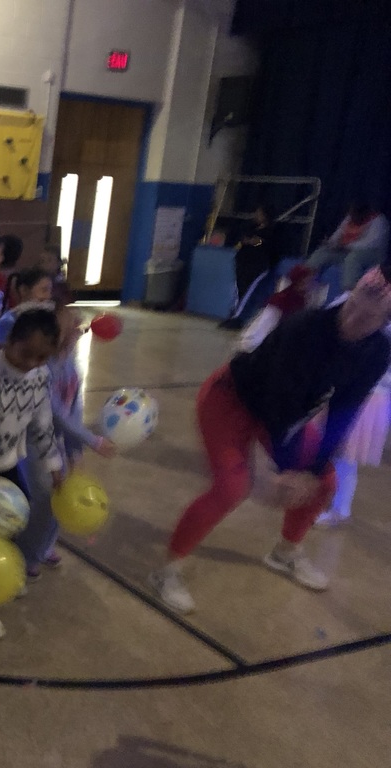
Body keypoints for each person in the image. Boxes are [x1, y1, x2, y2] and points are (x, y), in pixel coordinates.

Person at [149, 266, 391, 614]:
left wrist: (311, 470)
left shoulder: (377, 351)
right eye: (354, 301)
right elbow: (278, 401)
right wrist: (277, 469)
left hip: (283, 413)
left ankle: (285, 554)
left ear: (384, 319)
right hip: (231, 399)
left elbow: (343, 411)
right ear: (350, 293)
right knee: (232, 487)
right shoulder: (305, 327)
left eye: (369, 312)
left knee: (325, 481)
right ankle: (166, 572)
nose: (353, 317)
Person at [0, 306, 64, 637]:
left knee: (12, 520)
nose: (32, 363)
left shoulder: (41, 376)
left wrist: (54, 464)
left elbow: (43, 424)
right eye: (26, 353)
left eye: (42, 357)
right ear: (9, 341)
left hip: (9, 463)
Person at [16, 305, 116, 577]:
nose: (78, 326)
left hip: (59, 439)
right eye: (69, 324)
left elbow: (75, 403)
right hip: (35, 440)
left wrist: (76, 448)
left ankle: (43, 546)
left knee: (63, 496)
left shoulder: (70, 357)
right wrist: (93, 440)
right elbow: (54, 411)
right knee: (45, 499)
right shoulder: (42, 365)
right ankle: (25, 556)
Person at [306, 203, 389, 293]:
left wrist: (345, 246)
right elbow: (339, 233)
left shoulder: (378, 220)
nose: (354, 217)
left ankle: (349, 291)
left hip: (372, 254)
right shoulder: (350, 218)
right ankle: (302, 281)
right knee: (321, 253)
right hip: (347, 250)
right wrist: (331, 243)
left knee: (353, 258)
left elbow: (370, 243)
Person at [221, 204, 279, 329]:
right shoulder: (251, 227)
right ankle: (233, 316)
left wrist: (254, 242)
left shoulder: (270, 231)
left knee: (247, 292)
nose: (256, 215)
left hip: (256, 267)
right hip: (244, 265)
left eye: (259, 213)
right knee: (238, 291)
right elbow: (243, 239)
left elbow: (262, 243)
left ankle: (238, 319)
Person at [234, 264, 316, 352]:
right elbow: (262, 327)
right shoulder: (280, 300)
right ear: (299, 282)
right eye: (307, 281)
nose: (310, 285)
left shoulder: (302, 300)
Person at [0, 267, 54, 350]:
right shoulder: (8, 320)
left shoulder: (50, 318)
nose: (48, 296)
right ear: (24, 290)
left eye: (50, 291)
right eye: (44, 290)